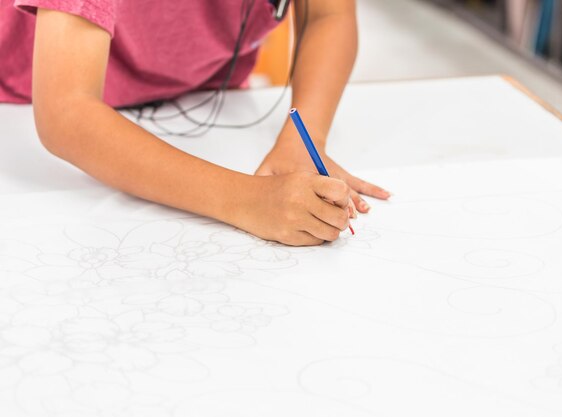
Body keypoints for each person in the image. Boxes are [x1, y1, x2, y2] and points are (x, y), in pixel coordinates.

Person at [0, 0, 390, 246]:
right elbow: (66, 111)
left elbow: (329, 14)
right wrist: (250, 200)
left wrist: (304, 137)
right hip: (17, 97)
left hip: (202, 96)